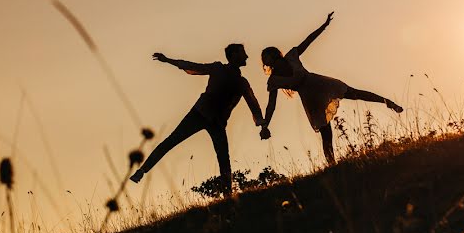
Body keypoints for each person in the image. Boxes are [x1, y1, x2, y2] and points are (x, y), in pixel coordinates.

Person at [260, 12, 403, 165]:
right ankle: (332, 164)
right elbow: (271, 105)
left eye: (266, 55)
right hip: (309, 97)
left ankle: (387, 102)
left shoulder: (292, 56)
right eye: (264, 57)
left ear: (274, 54)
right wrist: (265, 125)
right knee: (325, 131)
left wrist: (325, 25)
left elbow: (309, 40)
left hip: (319, 83)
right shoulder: (273, 80)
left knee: (354, 93)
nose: (264, 58)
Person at [130, 43, 265, 197]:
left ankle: (228, 196)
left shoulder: (242, 83)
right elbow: (192, 66)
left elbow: (253, 104)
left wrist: (262, 125)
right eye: (243, 53)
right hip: (198, 114)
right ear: (233, 55)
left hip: (217, 123)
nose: (246, 56)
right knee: (171, 141)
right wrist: (167, 60)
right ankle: (142, 171)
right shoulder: (218, 68)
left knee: (223, 157)